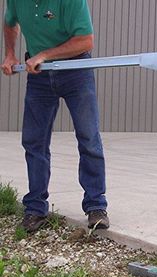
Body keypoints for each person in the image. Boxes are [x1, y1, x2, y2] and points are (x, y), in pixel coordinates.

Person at [1, 0, 109, 232]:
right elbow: (10, 23)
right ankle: (35, 208)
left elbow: (85, 40)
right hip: (39, 75)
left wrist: (45, 54)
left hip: (75, 71)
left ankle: (96, 205)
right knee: (34, 141)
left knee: (88, 138)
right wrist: (10, 53)